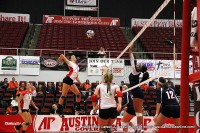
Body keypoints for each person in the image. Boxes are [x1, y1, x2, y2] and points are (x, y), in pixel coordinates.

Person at [128, 45, 148, 133]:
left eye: (138, 65)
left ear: (137, 68)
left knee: (138, 112)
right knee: (139, 112)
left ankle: (139, 129)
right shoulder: (137, 72)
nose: (137, 64)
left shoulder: (134, 70)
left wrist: (130, 51)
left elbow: (132, 59)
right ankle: (139, 128)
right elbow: (133, 61)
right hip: (137, 92)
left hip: (137, 92)